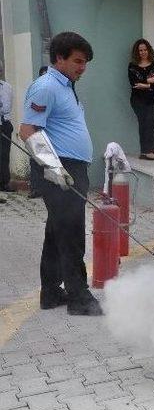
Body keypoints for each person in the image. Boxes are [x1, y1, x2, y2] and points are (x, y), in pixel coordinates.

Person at [19, 31, 102, 315]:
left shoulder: (66, 86)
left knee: (56, 233)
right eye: (78, 61)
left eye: (86, 62)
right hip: (59, 168)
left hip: (73, 168)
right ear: (59, 58)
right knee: (71, 233)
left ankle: (52, 293)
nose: (83, 67)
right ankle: (80, 299)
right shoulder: (46, 87)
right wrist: (53, 168)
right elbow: (28, 130)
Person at [128, 39, 154, 161]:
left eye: (145, 50)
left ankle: (150, 151)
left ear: (149, 50)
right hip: (137, 101)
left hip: (153, 101)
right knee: (143, 124)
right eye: (140, 50)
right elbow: (133, 83)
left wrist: (143, 85)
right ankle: (144, 152)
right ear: (137, 52)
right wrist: (148, 82)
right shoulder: (132, 66)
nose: (143, 52)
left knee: (150, 124)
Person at [27, 66, 49, 199]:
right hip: (36, 129)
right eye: (42, 75)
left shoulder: (57, 91)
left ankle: (48, 188)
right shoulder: (35, 91)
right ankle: (36, 188)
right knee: (35, 160)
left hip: (51, 131)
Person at [0, 64, 14, 193]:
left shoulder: (7, 87)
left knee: (4, 155)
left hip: (4, 124)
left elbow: (7, 107)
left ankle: (4, 182)